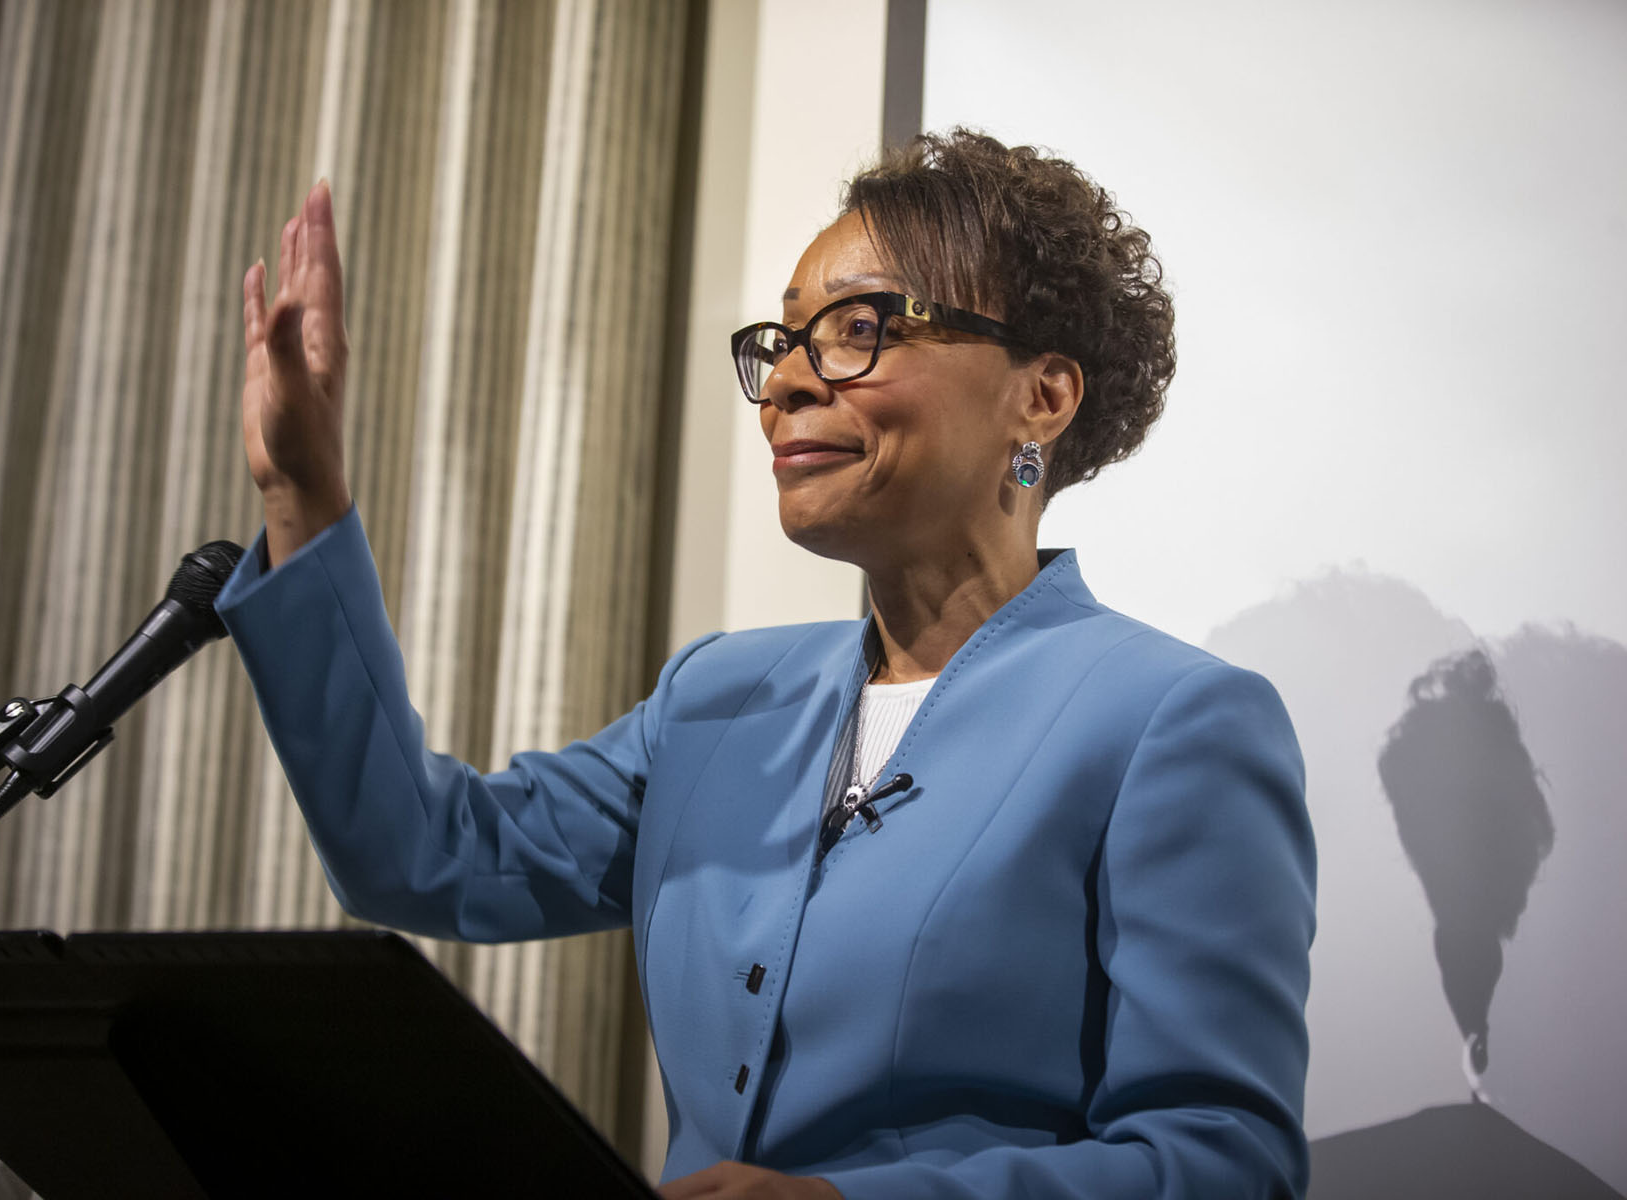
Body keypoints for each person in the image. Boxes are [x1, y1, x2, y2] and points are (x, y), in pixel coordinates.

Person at [216, 129, 1316, 1199]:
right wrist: (301, 502)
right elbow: (421, 854)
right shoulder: (718, 699)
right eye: (785, 340)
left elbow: (1223, 1161)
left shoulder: (1168, 723)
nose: (788, 379)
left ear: (1043, 395)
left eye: (857, 329)